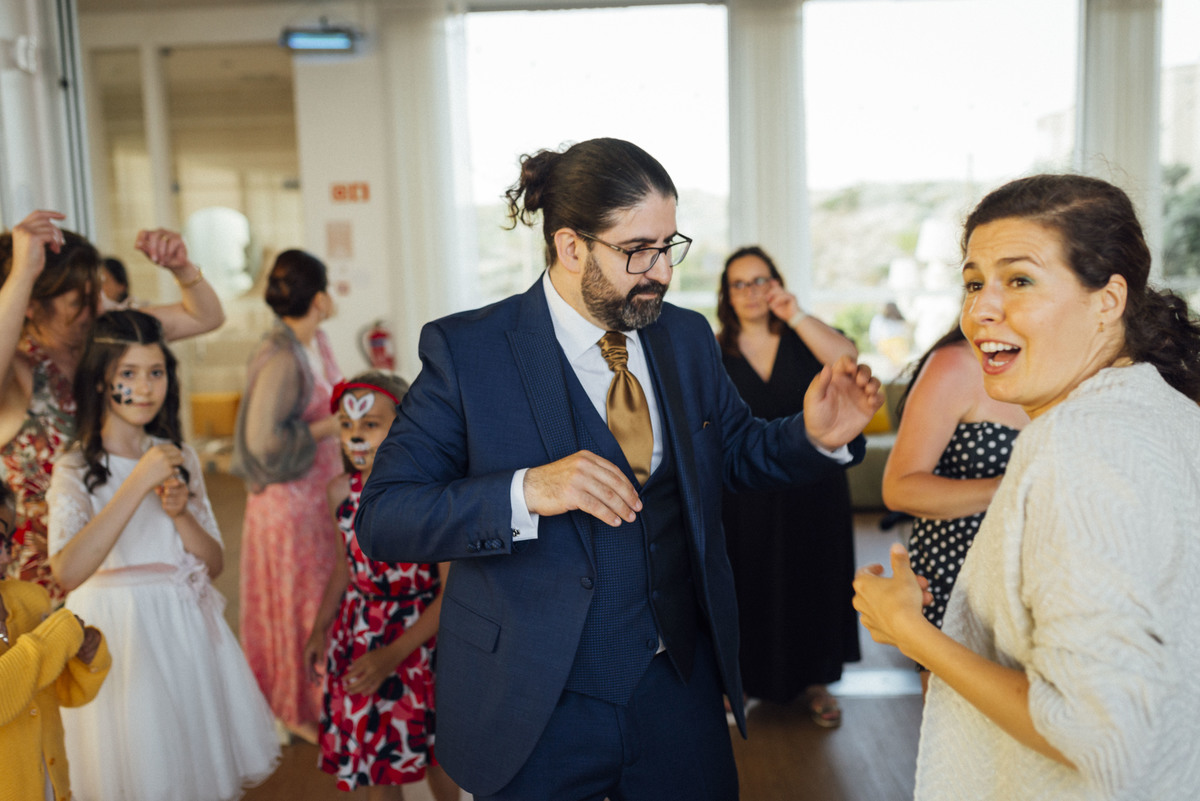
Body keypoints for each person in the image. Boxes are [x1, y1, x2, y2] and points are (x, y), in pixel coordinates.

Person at [354, 138, 883, 801]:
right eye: (638, 250)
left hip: (676, 686)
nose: (661, 270)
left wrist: (811, 436)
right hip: (533, 696)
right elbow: (385, 515)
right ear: (572, 247)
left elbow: (737, 452)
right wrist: (528, 490)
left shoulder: (685, 338)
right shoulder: (468, 351)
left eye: (670, 245)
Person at [854, 174, 1200, 800]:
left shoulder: (1080, 449)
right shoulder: (1161, 410)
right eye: (973, 282)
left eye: (1019, 280)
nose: (982, 308)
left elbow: (1098, 736)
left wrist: (910, 630)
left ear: (1108, 299)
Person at [47, 309, 279, 800]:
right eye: (128, 375)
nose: (146, 387)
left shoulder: (179, 455)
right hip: (114, 635)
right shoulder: (73, 465)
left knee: (187, 766)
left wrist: (179, 514)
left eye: (156, 373)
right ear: (100, 381)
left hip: (179, 631)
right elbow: (67, 570)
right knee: (130, 766)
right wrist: (137, 483)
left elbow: (213, 563)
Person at [0, 209, 225, 602]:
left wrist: (182, 267)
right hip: (44, 583)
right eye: (82, 300)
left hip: (123, 562)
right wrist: (22, 272)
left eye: (100, 293)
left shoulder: (104, 342)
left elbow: (205, 316)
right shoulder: (19, 369)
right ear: (32, 305)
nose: (100, 308)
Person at [715, 245, 861, 725]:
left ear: (776, 284)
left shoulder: (804, 339)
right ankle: (740, 682)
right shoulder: (714, 351)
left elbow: (847, 357)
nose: (752, 292)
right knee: (746, 584)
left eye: (761, 281)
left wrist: (794, 313)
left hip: (812, 489)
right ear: (727, 295)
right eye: (741, 283)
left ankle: (815, 681)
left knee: (813, 580)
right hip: (743, 495)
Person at [303, 371, 460, 801]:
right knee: (375, 759)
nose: (355, 436)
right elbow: (343, 567)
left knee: (437, 755)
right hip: (358, 635)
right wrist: (320, 628)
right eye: (347, 424)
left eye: (370, 424)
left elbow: (451, 596)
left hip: (419, 645)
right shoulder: (340, 492)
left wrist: (392, 655)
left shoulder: (430, 496)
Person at [232, 249, 342, 745]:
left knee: (319, 601)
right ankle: (296, 706)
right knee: (298, 605)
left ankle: (319, 698)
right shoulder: (280, 356)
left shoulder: (313, 340)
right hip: (287, 505)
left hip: (314, 499)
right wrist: (330, 426)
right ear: (319, 297)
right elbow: (263, 442)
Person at [880, 324, 1027, 691]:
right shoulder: (957, 364)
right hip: (958, 576)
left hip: (1045, 578)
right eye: (976, 286)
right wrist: (1010, 489)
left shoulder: (1086, 368)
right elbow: (899, 489)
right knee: (956, 735)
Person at [1, 482, 111, 801]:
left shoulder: (29, 599)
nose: (8, 555)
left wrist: (85, 657)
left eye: (9, 540)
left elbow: (61, 692)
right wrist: (49, 642)